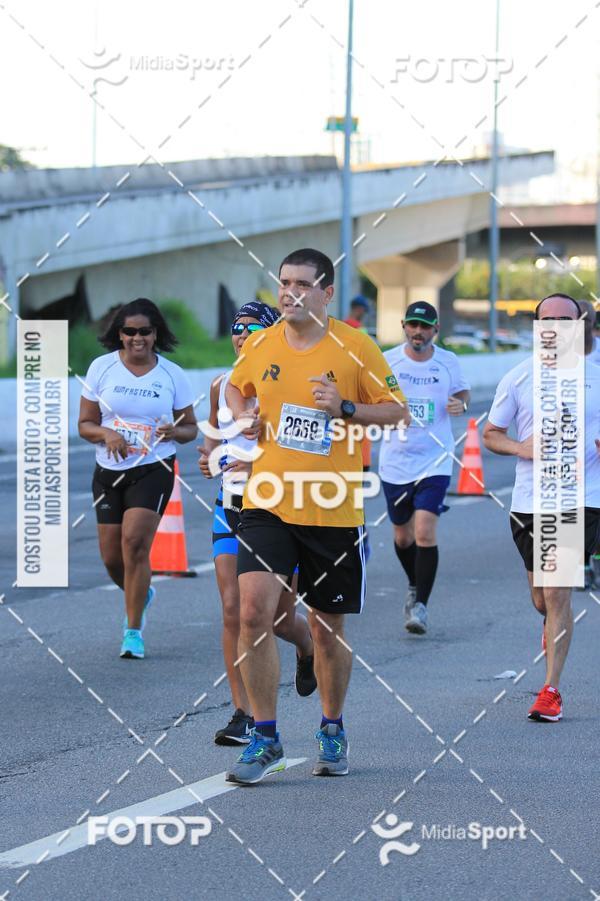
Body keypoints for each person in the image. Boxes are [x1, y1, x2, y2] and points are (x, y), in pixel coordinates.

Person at [223, 248, 409, 784]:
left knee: (328, 629)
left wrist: (345, 408)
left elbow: (397, 412)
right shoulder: (261, 343)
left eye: (303, 284)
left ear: (326, 292)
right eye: (284, 282)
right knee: (253, 613)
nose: (291, 292)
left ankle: (331, 727)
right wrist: (242, 412)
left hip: (331, 505)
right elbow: (236, 384)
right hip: (267, 500)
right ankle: (264, 738)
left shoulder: (356, 347)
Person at [198, 301, 317, 746]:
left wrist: (261, 466)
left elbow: (312, 444)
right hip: (230, 506)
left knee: (279, 620)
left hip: (279, 509)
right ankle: (244, 715)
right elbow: (213, 439)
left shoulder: (292, 381)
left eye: (252, 328)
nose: (242, 335)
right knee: (235, 611)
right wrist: (210, 458)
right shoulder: (221, 384)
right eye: (236, 328)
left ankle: (307, 646)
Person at [483, 293, 600, 722]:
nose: (555, 327)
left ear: (580, 325)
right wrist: (521, 447)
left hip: (581, 498)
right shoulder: (519, 377)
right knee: (541, 598)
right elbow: (491, 434)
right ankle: (550, 624)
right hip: (530, 500)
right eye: (547, 320)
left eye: (565, 320)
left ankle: (550, 691)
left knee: (556, 591)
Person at [78, 298, 197, 659]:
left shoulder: (172, 375)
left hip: (153, 468)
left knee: (135, 545)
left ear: (156, 333)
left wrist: (174, 431)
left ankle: (133, 632)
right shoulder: (102, 368)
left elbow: (190, 429)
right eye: (129, 331)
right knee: (112, 558)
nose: (137, 338)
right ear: (119, 334)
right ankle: (142, 593)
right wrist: (107, 434)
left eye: (144, 331)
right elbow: (85, 424)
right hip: (108, 471)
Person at [378, 301, 470, 635]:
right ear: (404, 326)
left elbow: (462, 392)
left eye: (425, 327)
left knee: (424, 531)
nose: (418, 332)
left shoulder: (448, 361)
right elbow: (371, 396)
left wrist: (461, 404)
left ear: (436, 330)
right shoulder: (388, 360)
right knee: (403, 537)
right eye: (413, 326)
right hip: (396, 460)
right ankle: (414, 583)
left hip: (436, 458)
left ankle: (421, 607)